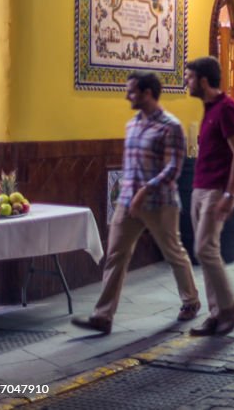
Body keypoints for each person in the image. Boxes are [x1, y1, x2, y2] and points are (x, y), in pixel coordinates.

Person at [71, 73, 200, 335]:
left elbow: (174, 168)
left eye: (131, 91)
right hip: (128, 202)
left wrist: (146, 189)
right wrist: (128, 194)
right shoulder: (132, 125)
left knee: (173, 252)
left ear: (148, 93)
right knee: (115, 256)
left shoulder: (170, 126)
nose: (126, 96)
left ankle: (191, 301)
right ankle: (103, 316)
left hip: (160, 203)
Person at [185, 57, 234, 337]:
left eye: (190, 77)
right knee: (206, 252)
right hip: (200, 188)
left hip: (214, 191)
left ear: (204, 81)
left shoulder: (226, 109)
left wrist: (229, 194)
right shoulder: (208, 109)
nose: (186, 82)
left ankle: (228, 306)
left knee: (205, 250)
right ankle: (217, 313)